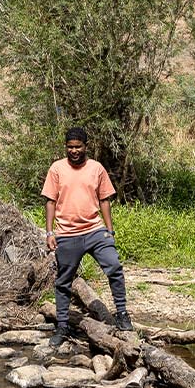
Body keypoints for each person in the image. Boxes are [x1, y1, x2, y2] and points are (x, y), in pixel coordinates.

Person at [42, 127, 131, 347]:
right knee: (64, 282)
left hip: (95, 231)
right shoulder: (57, 169)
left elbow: (104, 201)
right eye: (70, 147)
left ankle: (122, 314)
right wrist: (50, 232)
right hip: (67, 234)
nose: (74, 151)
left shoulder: (96, 168)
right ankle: (62, 326)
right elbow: (50, 202)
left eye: (78, 147)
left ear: (86, 146)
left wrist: (109, 232)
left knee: (114, 266)